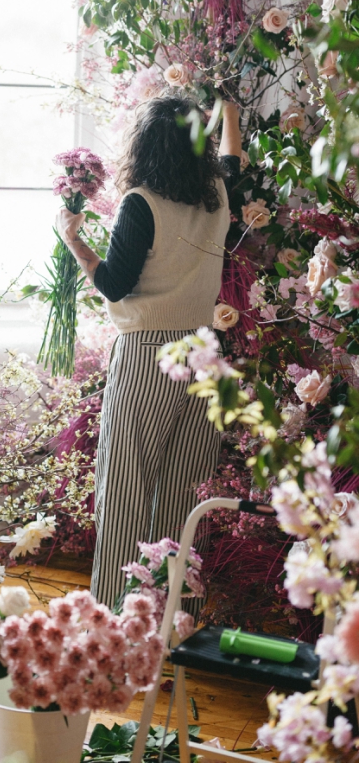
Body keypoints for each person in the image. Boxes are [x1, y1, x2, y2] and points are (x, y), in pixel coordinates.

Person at [54, 95, 241, 608]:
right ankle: (176, 612)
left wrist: (74, 242)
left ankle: (117, 613)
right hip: (207, 353)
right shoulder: (218, 196)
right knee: (188, 485)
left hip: (150, 354)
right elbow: (231, 160)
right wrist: (228, 112)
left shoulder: (142, 202)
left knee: (126, 481)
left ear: (146, 147)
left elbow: (115, 285)